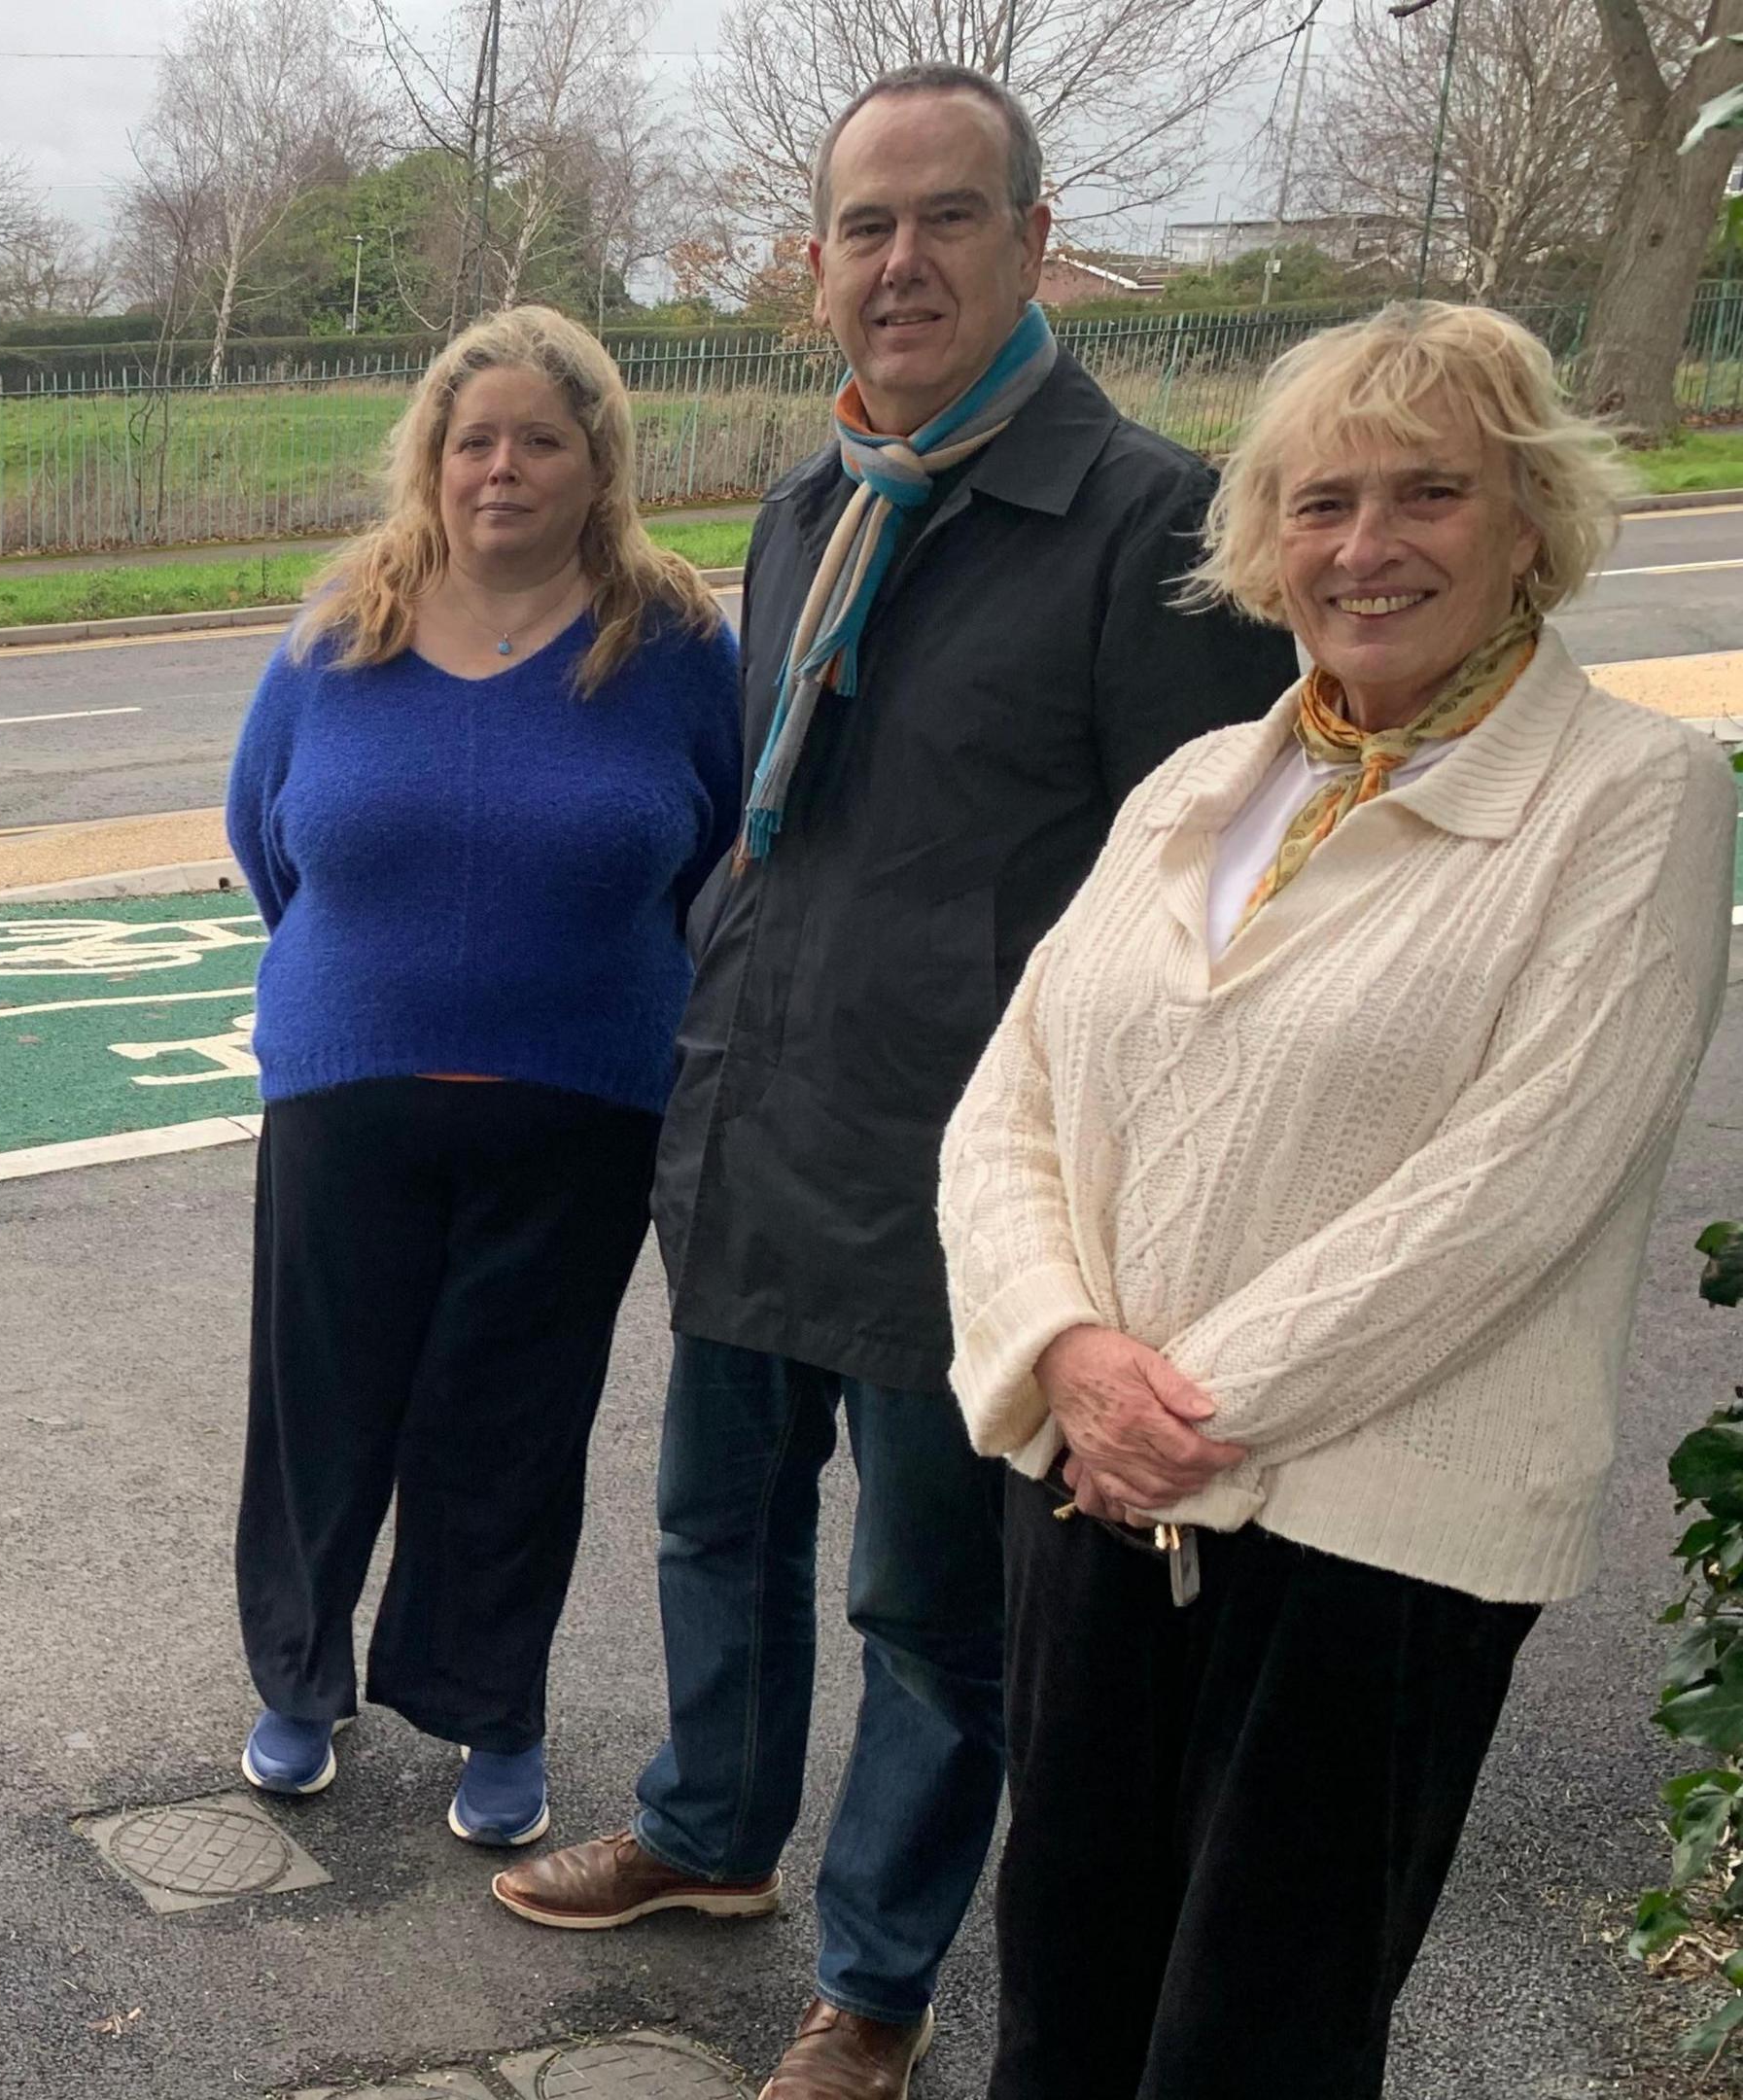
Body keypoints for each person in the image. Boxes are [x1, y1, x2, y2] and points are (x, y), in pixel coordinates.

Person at [490, 65, 1301, 2100]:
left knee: (931, 1610)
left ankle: (876, 1975)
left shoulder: (1147, 528)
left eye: (949, 218)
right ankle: (704, 1833)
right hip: (758, 1121)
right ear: (820, 269)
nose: (903, 261)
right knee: (711, 1528)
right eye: (866, 226)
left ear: (1035, 246)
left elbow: (1195, 924)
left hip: (975, 1191)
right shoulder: (805, 506)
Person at [935, 301, 1732, 2098]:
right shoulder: (1192, 789)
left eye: (1429, 493)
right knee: (1060, 2006)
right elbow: (1009, 1109)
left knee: (1255, 2042)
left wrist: (1183, 1412)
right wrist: (1065, 1354)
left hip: (1380, 1542)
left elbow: (1519, 1182)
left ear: (1531, 519)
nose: (1366, 549)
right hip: (1095, 1502)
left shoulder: (1633, 797)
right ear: (1263, 541)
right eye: (1318, 503)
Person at [220, 307, 739, 1848]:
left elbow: (715, 849)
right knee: (323, 1406)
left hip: (581, 1106)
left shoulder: (675, 648)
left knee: (510, 1423)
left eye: (540, 440)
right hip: (347, 1095)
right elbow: (267, 840)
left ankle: (487, 1708)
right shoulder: (337, 638)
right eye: (473, 440)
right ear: (432, 465)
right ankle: (299, 1683)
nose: (502, 468)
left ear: (599, 465)